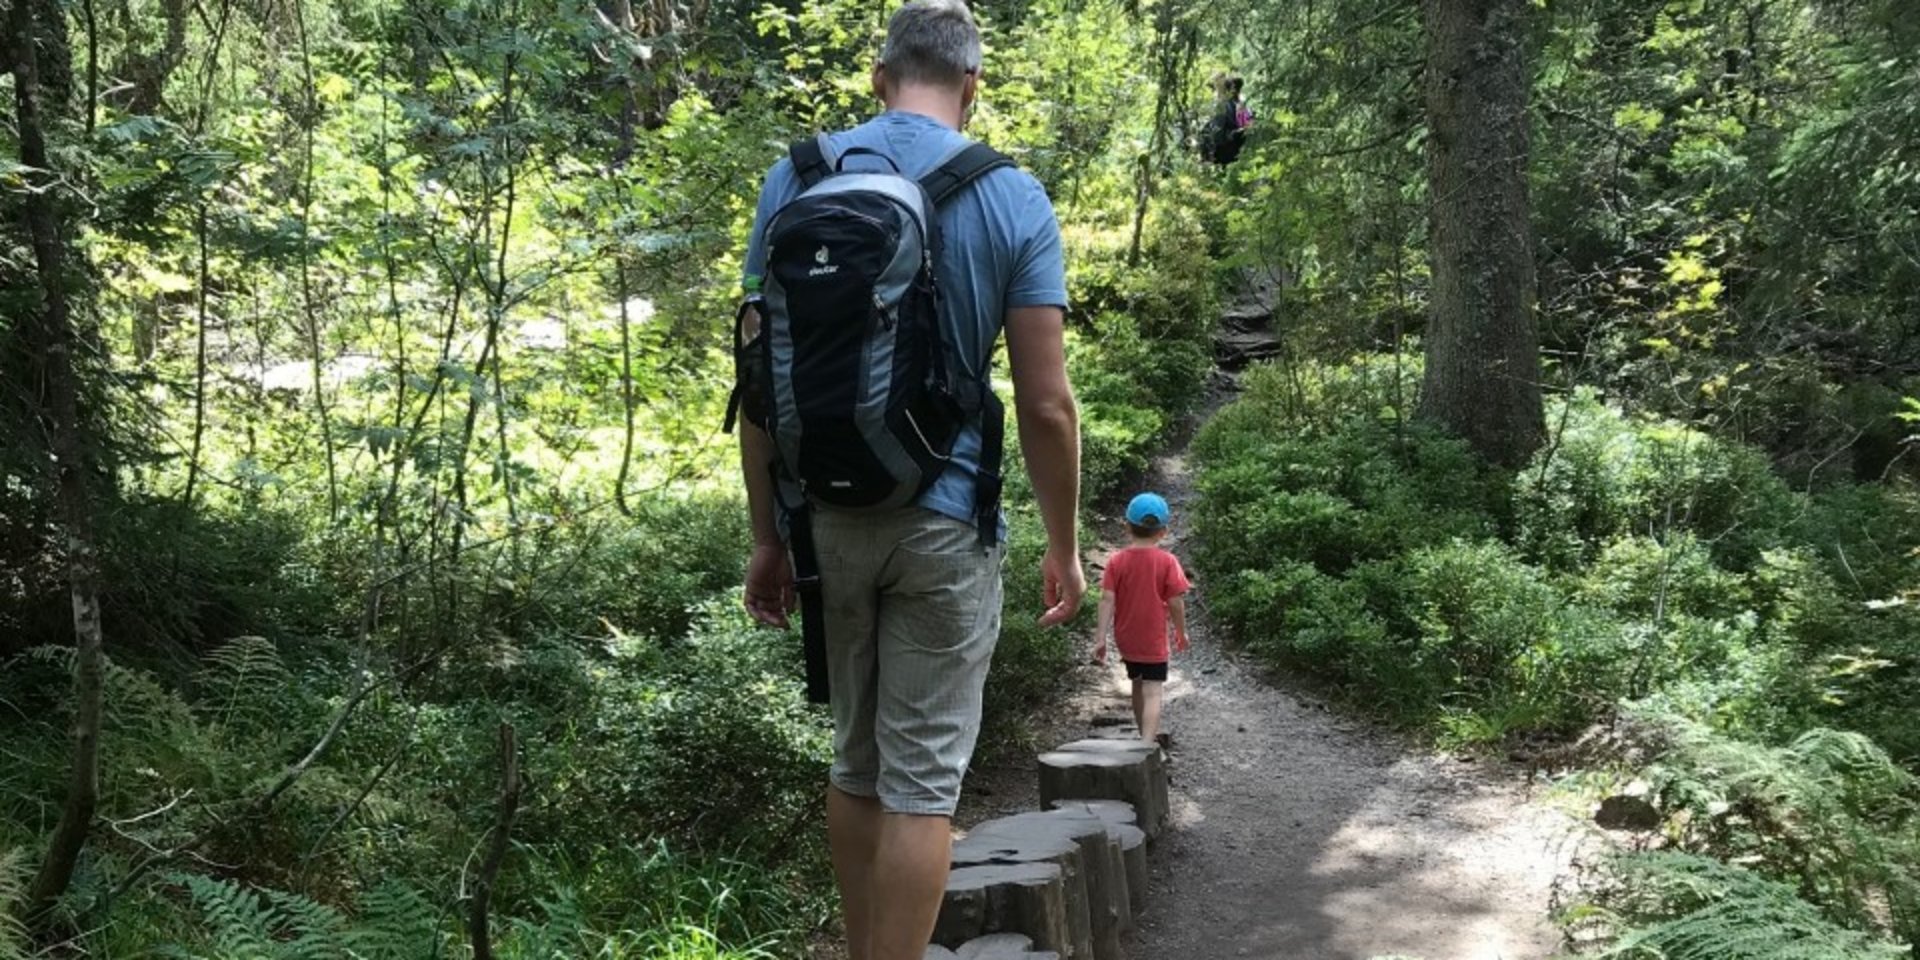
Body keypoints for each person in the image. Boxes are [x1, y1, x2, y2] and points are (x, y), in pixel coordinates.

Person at [734, 2, 1085, 957]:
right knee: (924, 785)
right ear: (971, 84)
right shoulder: (1011, 194)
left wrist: (766, 535)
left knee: (856, 766)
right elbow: (1048, 404)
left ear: (880, 77)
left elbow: (758, 380)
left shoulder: (797, 176)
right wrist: (1064, 546)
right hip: (945, 520)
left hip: (824, 520)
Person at [1093, 492, 1191, 747]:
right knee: (1153, 691)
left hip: (1127, 637)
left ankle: (1141, 735)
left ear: (1126, 526)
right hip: (1153, 638)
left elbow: (1106, 600)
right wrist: (1181, 632)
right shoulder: (1168, 562)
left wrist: (1100, 638)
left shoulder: (1116, 561)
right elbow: (1175, 602)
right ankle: (1147, 744)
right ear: (1164, 531)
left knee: (1137, 685)